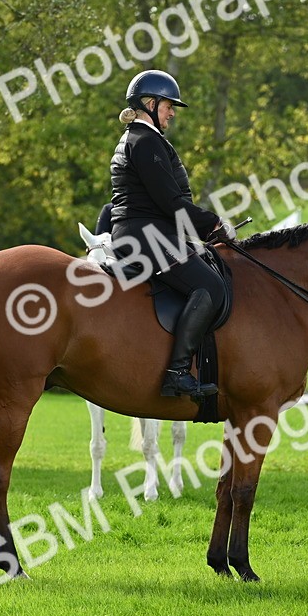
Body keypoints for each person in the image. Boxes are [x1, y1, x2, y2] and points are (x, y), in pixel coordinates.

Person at [109, 70, 232, 400]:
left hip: (148, 232)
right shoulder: (145, 141)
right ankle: (177, 373)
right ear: (150, 104)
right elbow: (170, 202)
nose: (172, 112)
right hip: (146, 237)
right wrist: (213, 224)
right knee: (210, 286)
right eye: (167, 106)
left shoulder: (139, 139)